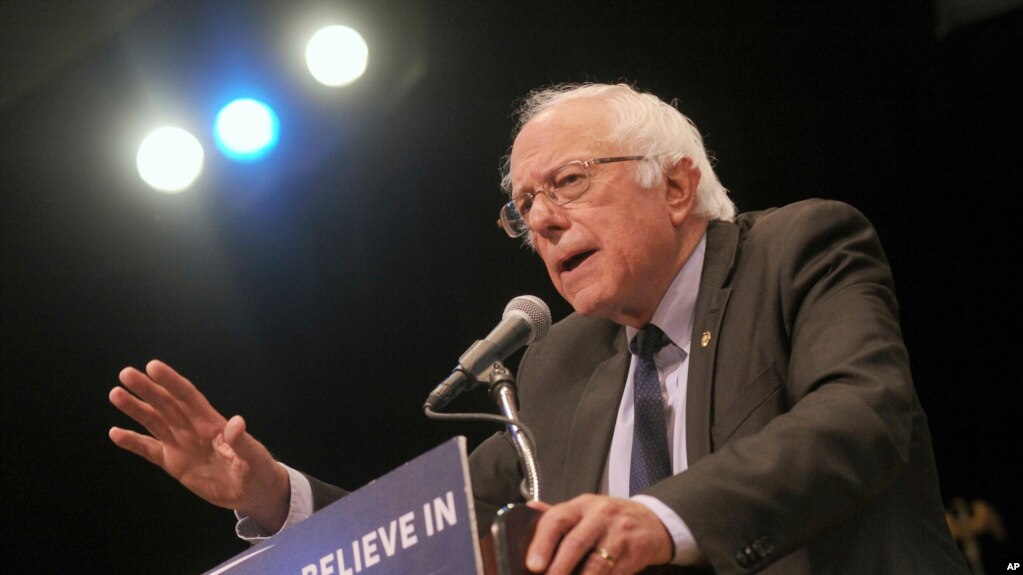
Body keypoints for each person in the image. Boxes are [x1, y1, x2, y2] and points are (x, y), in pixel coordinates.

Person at [109, 82, 969, 574]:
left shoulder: (796, 249)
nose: (542, 221)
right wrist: (270, 497)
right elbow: (437, 528)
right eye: (523, 206)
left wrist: (659, 518)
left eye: (566, 181)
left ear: (674, 186)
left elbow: (858, 418)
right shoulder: (562, 359)